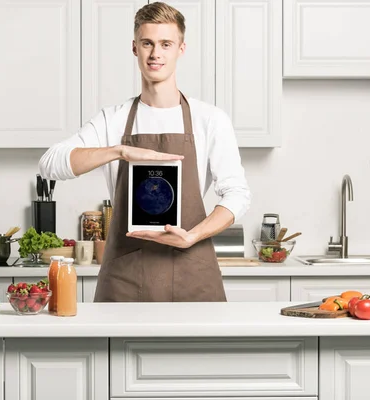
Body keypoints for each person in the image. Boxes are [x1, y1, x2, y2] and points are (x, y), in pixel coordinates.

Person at [39, 1, 251, 302]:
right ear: (135, 47)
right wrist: (120, 151)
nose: (156, 54)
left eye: (166, 44)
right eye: (147, 43)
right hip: (126, 273)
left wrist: (192, 236)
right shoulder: (113, 119)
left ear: (181, 49)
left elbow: (238, 194)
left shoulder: (210, 119)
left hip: (192, 268)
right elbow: (50, 164)